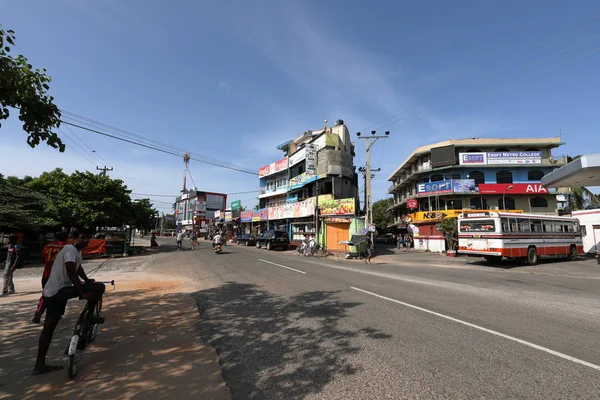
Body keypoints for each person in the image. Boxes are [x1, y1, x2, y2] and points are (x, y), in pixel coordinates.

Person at [32, 229, 106, 375]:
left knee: (49, 327)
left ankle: (39, 365)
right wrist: (82, 291)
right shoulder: (70, 249)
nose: (85, 241)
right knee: (99, 287)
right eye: (82, 238)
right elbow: (71, 271)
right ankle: (91, 315)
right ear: (73, 238)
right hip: (59, 291)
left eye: (87, 238)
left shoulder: (76, 252)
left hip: (52, 292)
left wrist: (86, 280)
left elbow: (78, 269)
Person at [32, 232, 69, 323]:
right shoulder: (66, 248)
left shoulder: (47, 246)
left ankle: (39, 311)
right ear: (66, 238)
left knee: (45, 294)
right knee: (62, 295)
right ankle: (57, 314)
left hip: (46, 274)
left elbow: (42, 259)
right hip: (60, 276)